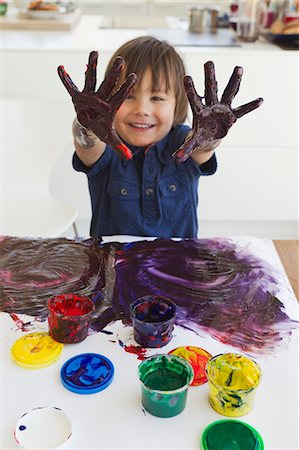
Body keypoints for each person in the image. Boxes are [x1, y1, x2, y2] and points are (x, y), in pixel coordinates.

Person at [58, 36, 263, 239]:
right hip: (114, 266)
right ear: (108, 99)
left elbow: (203, 147)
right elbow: (87, 144)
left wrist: (210, 134)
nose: (142, 110)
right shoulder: (106, 147)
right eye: (128, 96)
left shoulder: (184, 143)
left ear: (178, 104)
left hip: (178, 265)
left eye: (157, 98)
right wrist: (87, 125)